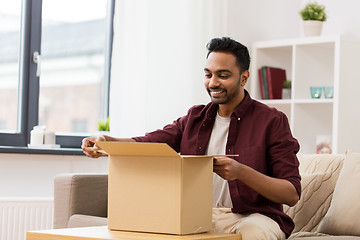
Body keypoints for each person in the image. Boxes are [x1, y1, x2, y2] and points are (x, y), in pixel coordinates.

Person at [82, 37, 301, 240]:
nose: (213, 83)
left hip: (254, 217)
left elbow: (291, 193)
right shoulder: (195, 117)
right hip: (198, 217)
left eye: (223, 75)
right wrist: (106, 142)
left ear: (244, 77)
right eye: (208, 74)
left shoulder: (272, 120)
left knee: (253, 233)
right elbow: (151, 141)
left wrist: (240, 172)